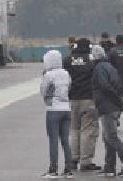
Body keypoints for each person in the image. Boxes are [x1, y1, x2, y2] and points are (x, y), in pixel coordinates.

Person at [91, 43, 123, 177]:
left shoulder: (99, 68)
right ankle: (109, 167)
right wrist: (120, 100)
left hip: (107, 106)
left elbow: (105, 86)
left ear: (94, 56)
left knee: (111, 137)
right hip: (113, 106)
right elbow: (117, 84)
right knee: (107, 137)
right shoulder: (109, 66)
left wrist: (116, 101)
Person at [63, 39, 100, 172]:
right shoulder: (92, 60)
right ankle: (86, 161)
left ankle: (73, 159)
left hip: (72, 99)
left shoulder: (67, 59)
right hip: (88, 98)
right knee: (88, 130)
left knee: (74, 129)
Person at [40, 50, 73, 178]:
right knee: (65, 140)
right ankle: (69, 168)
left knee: (53, 140)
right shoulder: (66, 73)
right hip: (66, 109)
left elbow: (43, 91)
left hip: (53, 109)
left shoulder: (48, 75)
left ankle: (53, 169)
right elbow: (70, 88)